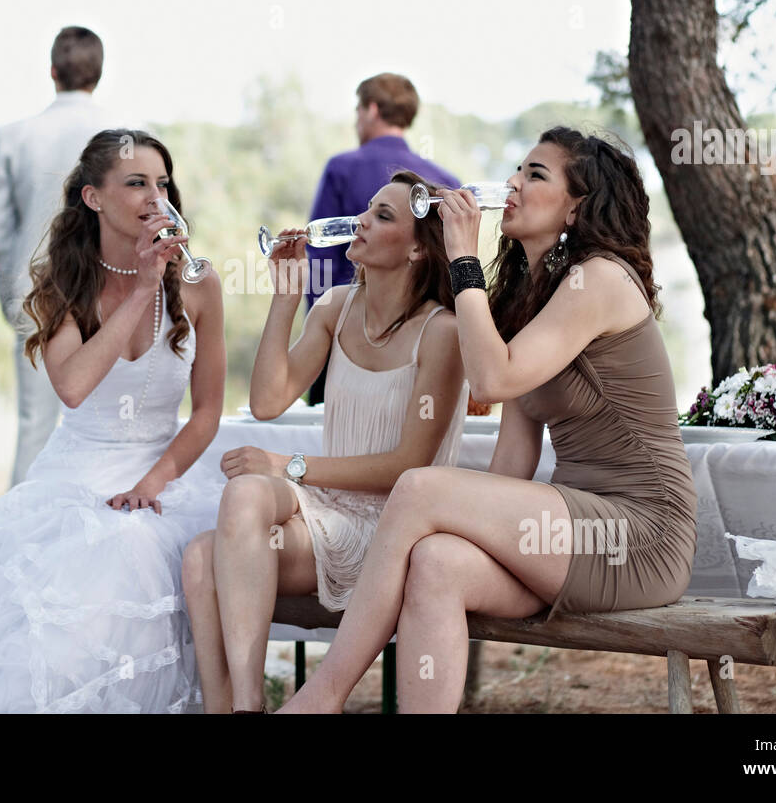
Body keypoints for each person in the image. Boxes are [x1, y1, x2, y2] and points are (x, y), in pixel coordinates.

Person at [279, 127, 697, 714]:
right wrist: (475, 525)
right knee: (436, 563)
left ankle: (322, 697)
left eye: (536, 175)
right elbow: (514, 455)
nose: (512, 186)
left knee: (420, 487)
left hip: (641, 531)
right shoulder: (531, 293)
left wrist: (463, 259)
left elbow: (492, 379)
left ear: (577, 206)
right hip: (570, 527)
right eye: (518, 171)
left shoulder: (597, 278)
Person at [0, 129, 226, 713]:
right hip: (77, 475)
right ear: (94, 198)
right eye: (136, 183)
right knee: (84, 581)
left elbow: (208, 411)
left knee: (141, 545)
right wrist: (141, 288)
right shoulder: (64, 283)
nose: (155, 196)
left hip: (165, 476)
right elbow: (74, 387)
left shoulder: (200, 283)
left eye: (162, 184)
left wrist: (151, 485)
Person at [181, 170, 470, 713]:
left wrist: (287, 465)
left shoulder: (443, 332)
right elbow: (268, 401)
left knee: (217, 540)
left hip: (391, 529)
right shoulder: (335, 307)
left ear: (415, 251)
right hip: (327, 512)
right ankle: (244, 706)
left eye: (382, 216)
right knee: (210, 544)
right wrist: (286, 297)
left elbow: (407, 466)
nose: (360, 220)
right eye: (367, 209)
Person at [0, 25, 122, 488]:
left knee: (35, 429)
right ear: (99, 74)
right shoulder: (123, 138)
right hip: (113, 291)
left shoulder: (12, 137)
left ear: (52, 72)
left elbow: (1, 231)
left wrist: (12, 300)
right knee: (110, 432)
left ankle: (20, 549)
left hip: (36, 293)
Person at [305, 73, 461, 405]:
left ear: (372, 110)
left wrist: (319, 332)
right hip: (426, 345)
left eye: (357, 111)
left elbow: (320, 252)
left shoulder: (342, 168)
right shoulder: (446, 180)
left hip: (345, 337)